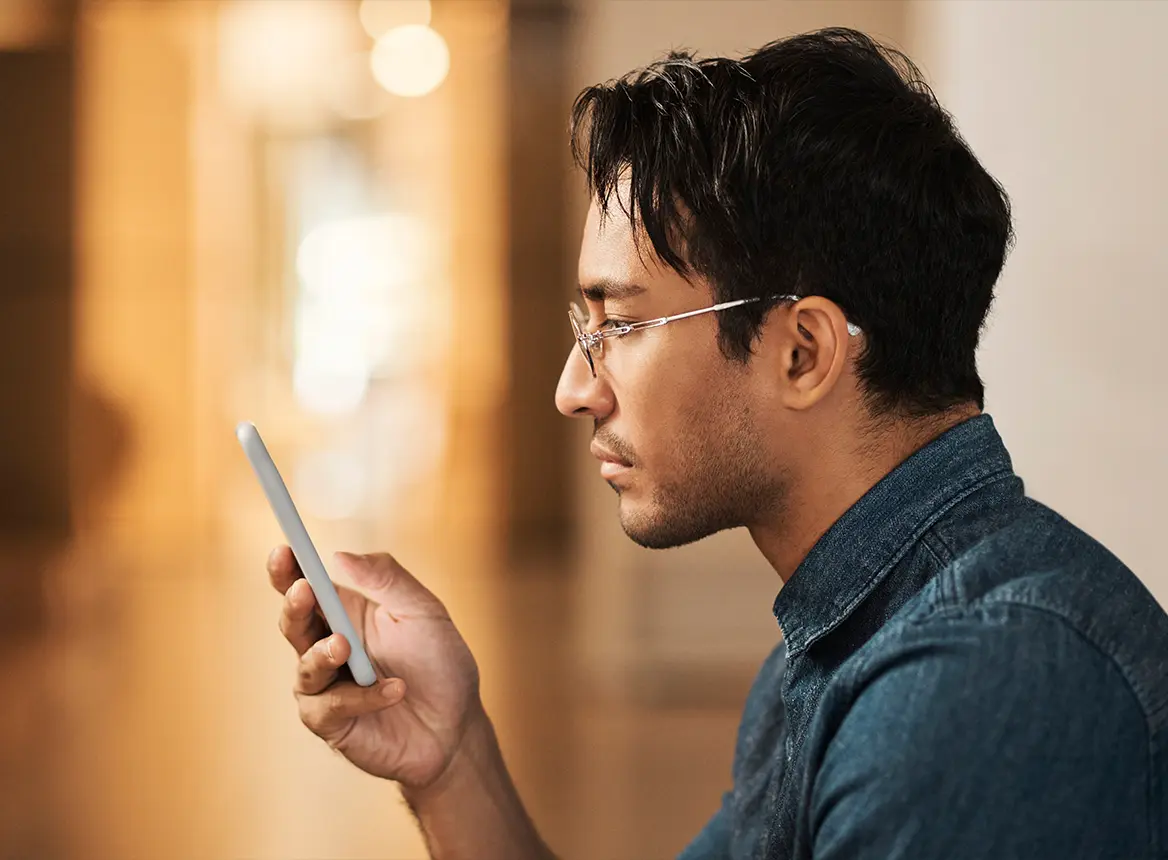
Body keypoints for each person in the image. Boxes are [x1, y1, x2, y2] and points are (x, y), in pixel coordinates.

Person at [266, 27, 1168, 860]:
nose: (573, 388)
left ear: (803, 351)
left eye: (618, 325)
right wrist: (450, 756)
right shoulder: (837, 645)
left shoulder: (971, 689)